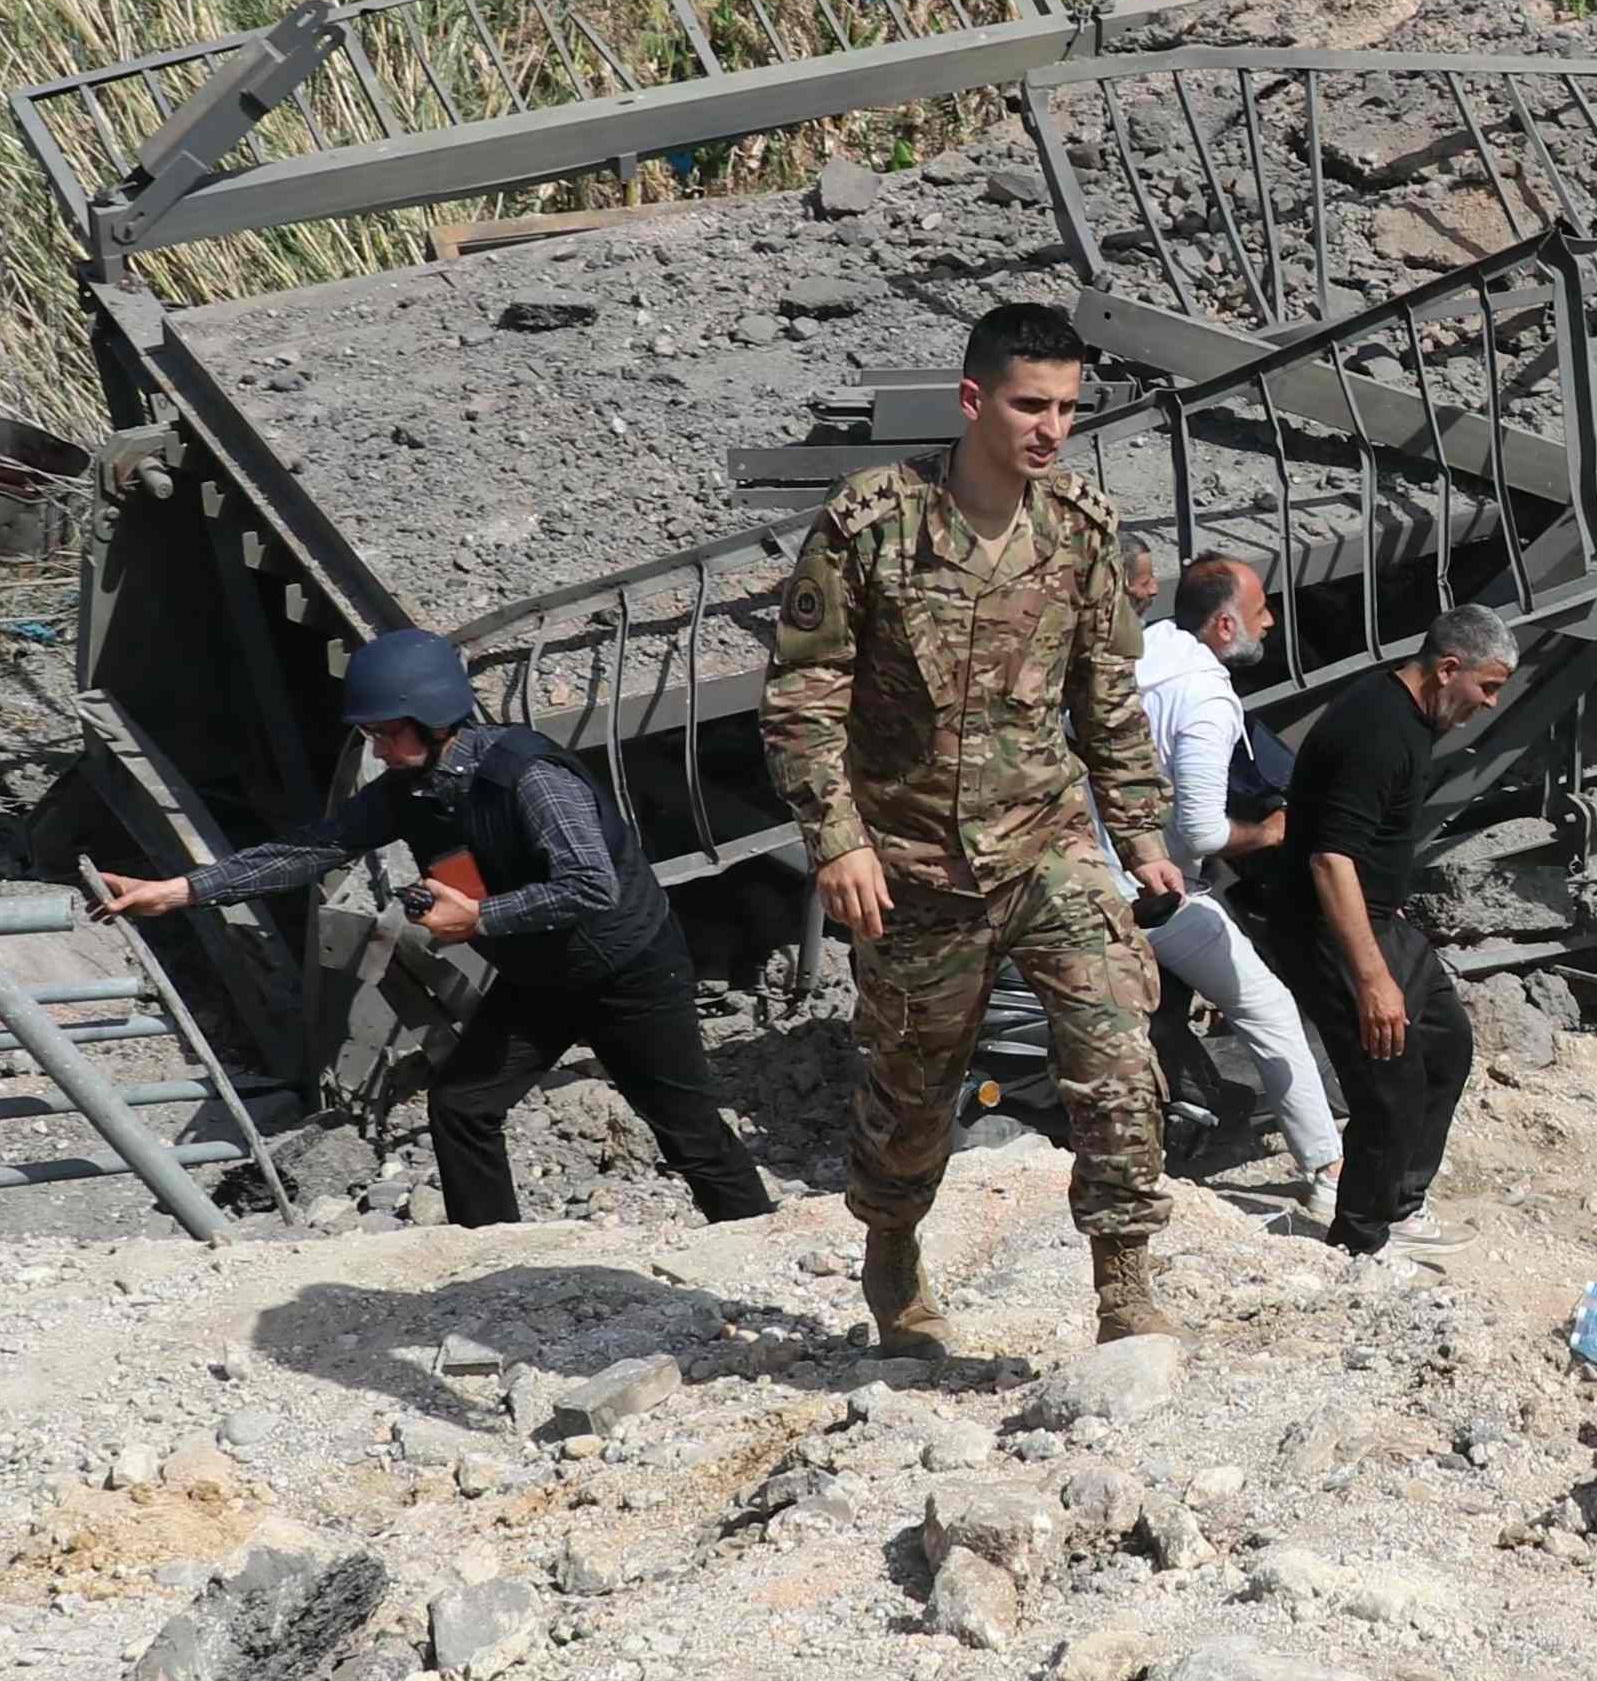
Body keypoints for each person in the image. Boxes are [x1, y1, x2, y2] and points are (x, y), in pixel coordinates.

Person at [763, 301, 1184, 1356]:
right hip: (914, 866)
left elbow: (1106, 696)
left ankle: (1124, 1284)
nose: (1052, 429)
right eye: (1031, 405)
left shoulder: (1081, 526)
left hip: (1047, 845)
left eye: (1067, 409)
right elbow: (804, 695)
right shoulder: (872, 523)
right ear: (972, 399)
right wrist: (837, 840)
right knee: (914, 1093)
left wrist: (1141, 837)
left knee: (1117, 1050)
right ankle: (893, 1247)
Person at [100, 626, 772, 1230]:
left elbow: (591, 886)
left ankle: (754, 1244)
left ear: (434, 720)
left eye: (386, 732)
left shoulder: (529, 778)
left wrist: (479, 917)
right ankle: (493, 1261)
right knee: (462, 1106)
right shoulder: (411, 789)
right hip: (542, 976)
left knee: (687, 1134)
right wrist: (182, 890)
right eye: (371, 734)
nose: (378, 747)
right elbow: (311, 849)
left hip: (628, 971)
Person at [1278, 601, 1521, 1262]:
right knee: (1389, 1087)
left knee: (1445, 1047)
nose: (1490, 703)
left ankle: (1401, 1206)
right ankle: (1361, 1244)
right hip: (1331, 928)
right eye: (1487, 687)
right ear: (1448, 669)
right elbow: (1331, 860)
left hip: (1382, 918)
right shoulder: (1378, 731)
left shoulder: (1411, 718)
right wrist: (1371, 978)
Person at [1134, 553, 1346, 1230]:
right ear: (1224, 625)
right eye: (1260, 611)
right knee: (1268, 1007)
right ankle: (1327, 1173)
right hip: (1145, 890)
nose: (1272, 620)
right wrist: (1268, 832)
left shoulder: (1146, 652)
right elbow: (1199, 830)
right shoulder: (1205, 698)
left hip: (1078, 867)